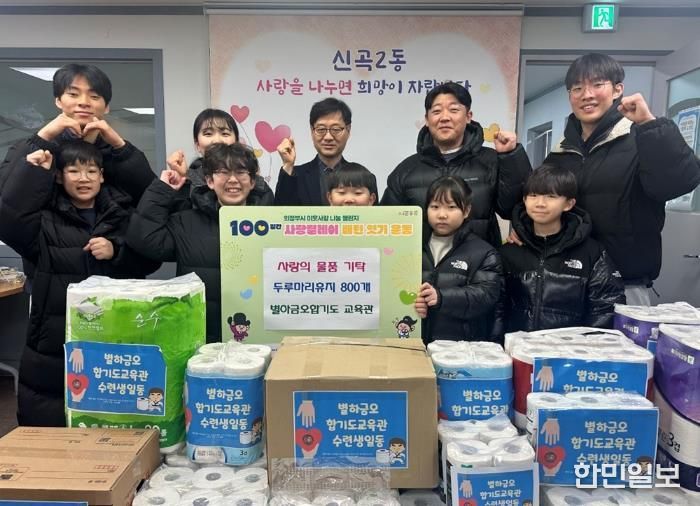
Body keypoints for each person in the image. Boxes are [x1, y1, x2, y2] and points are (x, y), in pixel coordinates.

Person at [0, 140, 158, 426]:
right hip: (55, 337)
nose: (83, 179)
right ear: (60, 176)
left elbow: (150, 258)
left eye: (91, 171)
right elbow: (10, 222)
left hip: (116, 333)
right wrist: (32, 174)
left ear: (102, 176)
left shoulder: (122, 213)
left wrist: (116, 250)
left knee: (115, 416)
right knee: (49, 419)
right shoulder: (44, 218)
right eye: (73, 171)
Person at [532, 53, 700, 305]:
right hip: (566, 280)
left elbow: (677, 182)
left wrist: (649, 124)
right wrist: (524, 231)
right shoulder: (559, 153)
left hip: (625, 282)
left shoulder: (642, 139)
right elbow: (539, 200)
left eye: (597, 84)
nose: (587, 95)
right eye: (577, 88)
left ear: (617, 90)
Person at [0, 63, 155, 292]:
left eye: (94, 96)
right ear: (58, 101)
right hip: (52, 277)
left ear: (106, 106)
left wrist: (119, 145)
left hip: (116, 280)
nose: (84, 102)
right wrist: (43, 137)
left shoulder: (117, 153)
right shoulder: (37, 149)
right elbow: (8, 201)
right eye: (73, 94)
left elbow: (149, 202)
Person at [127, 143, 264, 343]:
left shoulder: (271, 224)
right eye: (223, 172)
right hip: (199, 338)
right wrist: (161, 190)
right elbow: (144, 240)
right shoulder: (186, 221)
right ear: (209, 180)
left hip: (256, 339)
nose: (233, 179)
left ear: (252, 182)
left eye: (241, 172)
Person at [381, 82, 531, 248]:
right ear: (427, 120)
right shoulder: (406, 169)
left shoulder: (491, 160)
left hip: (480, 261)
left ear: (468, 116)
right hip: (423, 262)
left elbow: (514, 208)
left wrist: (510, 156)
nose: (445, 117)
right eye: (436, 111)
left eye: (454, 110)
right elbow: (386, 222)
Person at [499, 165, 626, 332]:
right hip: (517, 346)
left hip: (570, 347)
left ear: (569, 204)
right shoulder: (509, 251)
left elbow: (606, 308)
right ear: (524, 200)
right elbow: (496, 309)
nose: (540, 203)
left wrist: (585, 344)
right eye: (533, 195)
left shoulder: (592, 253)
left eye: (551, 196)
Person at [414, 176, 503, 344]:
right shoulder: (411, 245)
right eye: (435, 207)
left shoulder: (483, 252)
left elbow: (486, 296)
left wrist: (441, 297)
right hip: (413, 343)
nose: (442, 215)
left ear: (466, 211)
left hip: (458, 348)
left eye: (451, 207)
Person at [165, 108, 273, 206]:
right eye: (208, 134)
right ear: (197, 144)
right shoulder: (186, 179)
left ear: (236, 142)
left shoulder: (256, 183)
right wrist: (184, 179)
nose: (217, 140)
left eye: (225, 134)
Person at [274, 98, 354, 206]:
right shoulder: (295, 176)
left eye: (336, 129)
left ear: (348, 130)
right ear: (312, 131)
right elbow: (280, 213)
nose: (328, 137)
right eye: (321, 129)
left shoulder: (362, 177)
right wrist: (288, 165)